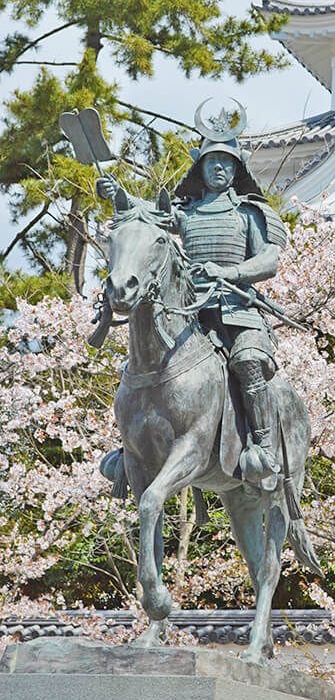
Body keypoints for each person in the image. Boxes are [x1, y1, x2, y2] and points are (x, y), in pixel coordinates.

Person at [97, 121, 288, 491]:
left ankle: (262, 449)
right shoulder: (187, 212)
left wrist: (230, 271)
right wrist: (115, 191)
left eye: (227, 163)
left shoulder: (250, 213)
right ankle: (130, 450)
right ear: (199, 167)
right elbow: (145, 215)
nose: (219, 168)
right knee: (141, 362)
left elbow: (269, 260)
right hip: (190, 312)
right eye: (212, 161)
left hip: (238, 310)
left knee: (248, 363)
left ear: (238, 170)